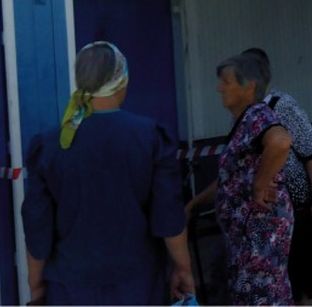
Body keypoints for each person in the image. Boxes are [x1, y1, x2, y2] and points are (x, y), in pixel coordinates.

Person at [21, 41, 194, 305]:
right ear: (122, 80)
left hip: (70, 286)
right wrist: (183, 267)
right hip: (138, 284)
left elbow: (37, 224)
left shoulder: (49, 144)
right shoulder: (150, 137)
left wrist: (36, 283)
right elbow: (168, 214)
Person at [185, 52, 294, 305]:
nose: (219, 88)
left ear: (250, 87)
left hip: (258, 240)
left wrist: (259, 186)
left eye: (226, 82)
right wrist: (193, 206)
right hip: (246, 241)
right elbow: (230, 180)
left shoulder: (258, 115)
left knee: (261, 297)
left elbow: (280, 142)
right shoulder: (244, 122)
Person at [243, 48, 312, 305]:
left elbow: (311, 153)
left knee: (302, 277)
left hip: (295, 207)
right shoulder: (248, 113)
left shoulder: (284, 106)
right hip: (265, 213)